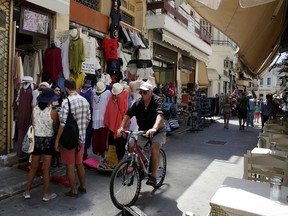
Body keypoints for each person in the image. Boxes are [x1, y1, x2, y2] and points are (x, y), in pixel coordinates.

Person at [117, 82, 166, 187]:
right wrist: (121, 127)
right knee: (131, 146)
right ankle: (144, 161)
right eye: (141, 92)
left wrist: (154, 128)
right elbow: (128, 115)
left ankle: (153, 175)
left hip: (157, 131)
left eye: (145, 92)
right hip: (143, 131)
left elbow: (160, 116)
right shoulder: (138, 103)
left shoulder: (157, 100)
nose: (142, 94)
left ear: (151, 92)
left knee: (154, 148)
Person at [55, 78, 91, 197]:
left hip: (69, 139)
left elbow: (62, 123)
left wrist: (57, 140)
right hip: (81, 138)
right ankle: (83, 186)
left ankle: (74, 190)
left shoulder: (66, 102)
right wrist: (81, 130)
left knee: (70, 165)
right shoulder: (84, 100)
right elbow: (88, 119)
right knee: (79, 163)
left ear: (66, 88)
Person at [23, 88, 60, 201]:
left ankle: (27, 192)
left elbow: (32, 123)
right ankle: (46, 194)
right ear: (49, 101)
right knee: (46, 169)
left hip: (36, 140)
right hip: (48, 141)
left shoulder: (34, 109)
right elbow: (57, 127)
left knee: (33, 168)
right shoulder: (53, 113)